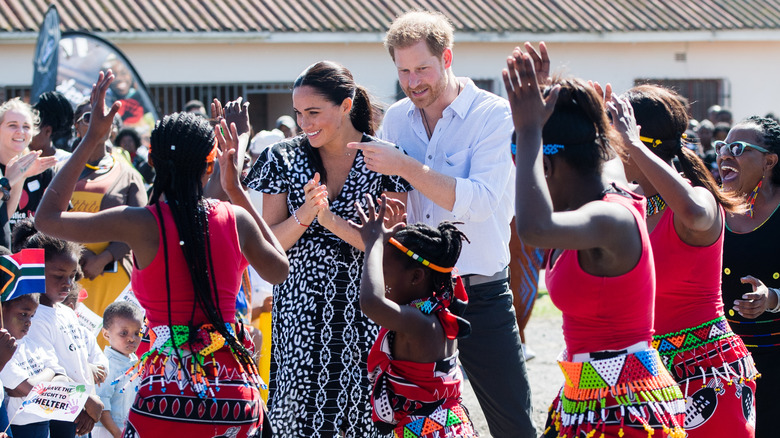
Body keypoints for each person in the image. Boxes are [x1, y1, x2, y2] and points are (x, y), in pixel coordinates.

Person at [35, 70, 289, 436]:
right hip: (233, 398)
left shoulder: (139, 223)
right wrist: (235, 189)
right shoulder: (234, 218)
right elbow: (280, 269)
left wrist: (92, 138)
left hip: (162, 400)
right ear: (209, 165)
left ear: (151, 163)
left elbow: (47, 217)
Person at [349, 11, 531, 437]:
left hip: (481, 290)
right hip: (415, 298)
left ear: (447, 58)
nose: (413, 81)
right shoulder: (395, 118)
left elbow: (483, 203)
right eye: (403, 71)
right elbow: (396, 204)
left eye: (422, 68)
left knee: (512, 421)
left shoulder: (494, 115)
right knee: (408, 422)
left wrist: (406, 167)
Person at [503, 48, 686, 437]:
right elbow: (597, 146)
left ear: (546, 167)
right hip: (589, 399)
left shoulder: (611, 217)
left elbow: (533, 229)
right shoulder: (605, 185)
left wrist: (530, 130)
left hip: (626, 410)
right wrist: (554, 104)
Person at [244, 60, 410, 436]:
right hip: (299, 317)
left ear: (347, 105)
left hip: (366, 312)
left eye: (314, 112)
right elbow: (271, 245)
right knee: (296, 422)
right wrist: (305, 214)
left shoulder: (387, 158)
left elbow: (391, 250)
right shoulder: (280, 158)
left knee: (366, 418)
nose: (304, 123)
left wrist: (329, 219)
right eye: (299, 113)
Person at [612, 85, 757, 436]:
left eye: (612, 134)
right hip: (646, 374)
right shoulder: (627, 207)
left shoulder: (698, 199)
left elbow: (692, 210)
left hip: (706, 372)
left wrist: (633, 145)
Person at [351, 194, 476, 437]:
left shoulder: (419, 323)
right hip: (443, 426)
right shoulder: (437, 313)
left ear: (417, 277)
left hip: (429, 431)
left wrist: (373, 244)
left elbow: (370, 302)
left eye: (384, 272)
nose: (380, 281)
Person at [12, 219, 106, 437]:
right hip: (56, 414)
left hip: (80, 410)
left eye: (72, 276)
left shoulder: (65, 311)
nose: (68, 284)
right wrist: (84, 401)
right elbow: (51, 371)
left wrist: (88, 400)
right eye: (58, 275)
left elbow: (79, 357)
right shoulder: (32, 319)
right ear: (35, 269)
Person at [717, 116, 780, 437]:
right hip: (720, 362)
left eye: (737, 148)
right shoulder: (710, 207)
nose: (725, 155)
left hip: (775, 362)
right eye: (722, 147)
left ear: (769, 162)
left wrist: (772, 298)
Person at [68, 99, 148, 327]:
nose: (97, 122)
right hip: (71, 276)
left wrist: (104, 258)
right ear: (76, 126)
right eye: (88, 117)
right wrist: (80, 259)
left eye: (105, 117)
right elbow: (48, 219)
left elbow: (140, 225)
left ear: (113, 126)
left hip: (116, 277)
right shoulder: (62, 171)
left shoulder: (128, 174)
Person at [1, 293, 70, 437]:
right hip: (17, 428)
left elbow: (63, 379)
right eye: (23, 314)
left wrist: (44, 382)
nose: (29, 322)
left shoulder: (33, 345)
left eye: (32, 316)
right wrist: (50, 372)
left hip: (44, 425)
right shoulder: (4, 352)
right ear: (2, 310)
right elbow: (31, 389)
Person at [0, 99, 58, 232]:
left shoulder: (44, 171)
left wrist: (21, 177)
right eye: (12, 125)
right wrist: (9, 181)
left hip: (36, 251)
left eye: (26, 126)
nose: (20, 131)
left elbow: (58, 218)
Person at [93, 301, 143, 438]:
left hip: (126, 429)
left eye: (137, 333)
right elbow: (102, 407)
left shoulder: (134, 363)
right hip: (108, 431)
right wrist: (118, 434)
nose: (132, 339)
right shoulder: (106, 365)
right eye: (124, 333)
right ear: (106, 334)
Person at [30, 91, 74, 162]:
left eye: (32, 128)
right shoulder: (18, 161)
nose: (25, 133)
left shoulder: (67, 161)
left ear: (48, 131)